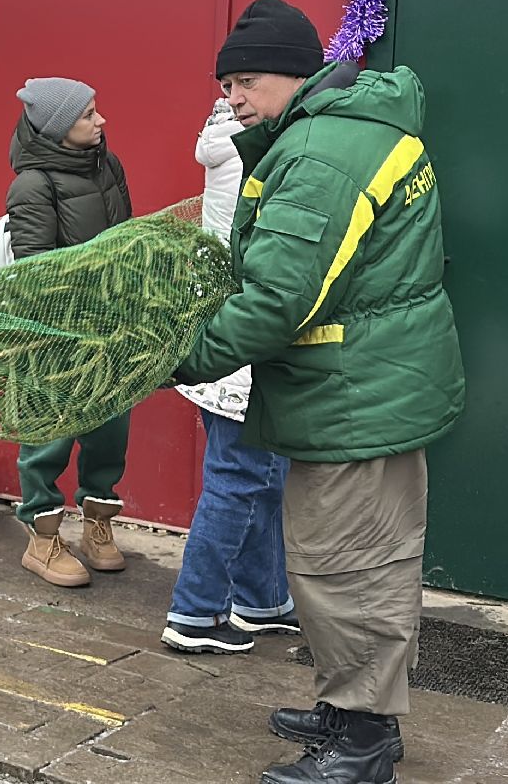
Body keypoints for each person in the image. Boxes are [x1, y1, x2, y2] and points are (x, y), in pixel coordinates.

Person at [172, 0, 463, 784]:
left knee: (350, 569)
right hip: (364, 388)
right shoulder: (348, 130)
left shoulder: (324, 153)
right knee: (351, 560)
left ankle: (363, 743)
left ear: (296, 75)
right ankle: (349, 710)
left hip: (356, 396)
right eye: (227, 83)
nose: (232, 97)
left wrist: (179, 356)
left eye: (246, 81)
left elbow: (280, 298)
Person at [163, 98, 296, 655]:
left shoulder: (225, 138)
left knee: (259, 479)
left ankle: (262, 600)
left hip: (219, 341)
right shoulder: (263, 150)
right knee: (240, 479)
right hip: (244, 346)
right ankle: (195, 611)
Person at [5, 77, 133, 588]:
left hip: (114, 324)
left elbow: (128, 234)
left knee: (110, 428)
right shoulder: (32, 185)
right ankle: (42, 538)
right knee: (51, 432)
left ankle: (97, 526)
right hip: (58, 329)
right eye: (88, 115)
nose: (101, 122)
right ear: (58, 128)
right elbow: (34, 270)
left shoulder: (108, 165)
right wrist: (74, 315)